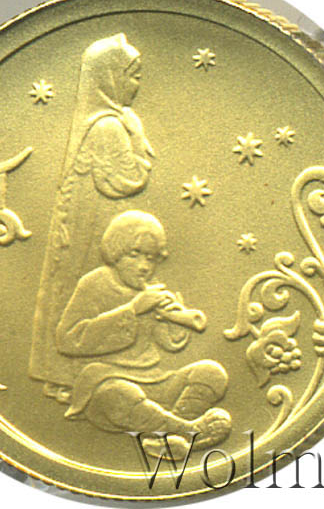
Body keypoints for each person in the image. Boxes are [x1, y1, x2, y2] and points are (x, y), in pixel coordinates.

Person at [29, 34, 155, 389]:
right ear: (110, 78)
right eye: (133, 75)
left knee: (73, 295)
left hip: (90, 225)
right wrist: (137, 137)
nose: (137, 85)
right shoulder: (108, 126)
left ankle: (63, 376)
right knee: (85, 296)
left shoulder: (101, 121)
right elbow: (127, 180)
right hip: (92, 230)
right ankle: (70, 377)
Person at [55, 211, 232, 454]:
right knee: (119, 395)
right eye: (134, 254)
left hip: (152, 379)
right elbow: (68, 339)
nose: (144, 266)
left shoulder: (149, 289)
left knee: (211, 373)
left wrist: (175, 321)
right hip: (106, 382)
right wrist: (133, 310)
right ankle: (189, 431)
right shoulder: (95, 283)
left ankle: (167, 441)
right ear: (115, 252)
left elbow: (168, 343)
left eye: (150, 258)